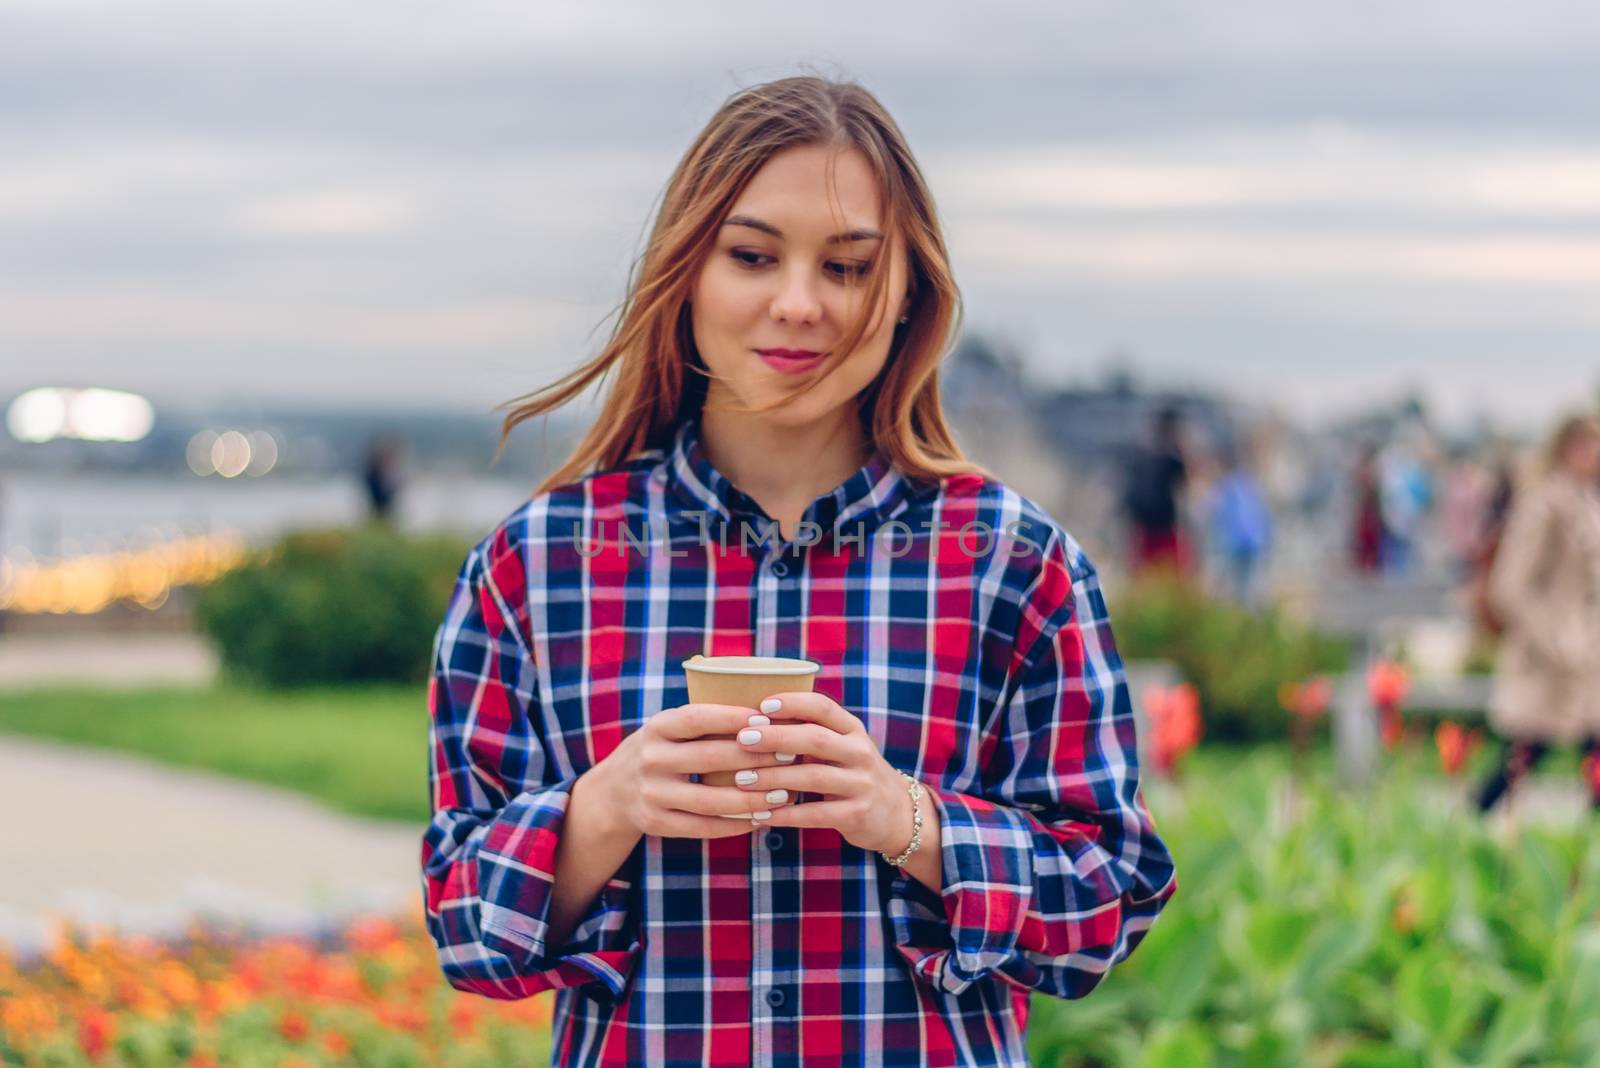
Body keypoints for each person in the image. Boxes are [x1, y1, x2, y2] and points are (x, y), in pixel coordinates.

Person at [420, 76, 1177, 1067]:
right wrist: (604, 809)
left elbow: (1109, 904)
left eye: (848, 266)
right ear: (685, 269)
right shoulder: (537, 568)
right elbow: (464, 930)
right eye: (751, 255)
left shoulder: (1013, 565)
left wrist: (906, 819)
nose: (797, 304)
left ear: (907, 290)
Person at [1473, 414, 1600, 814]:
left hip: (1584, 656)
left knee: (1590, 753)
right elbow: (1508, 585)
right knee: (1524, 753)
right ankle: (1469, 823)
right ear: (1564, 448)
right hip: (1550, 659)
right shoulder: (1543, 504)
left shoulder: (1585, 500)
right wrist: (1555, 638)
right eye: (1586, 444)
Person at [1121, 405, 1191, 578]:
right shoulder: (1172, 459)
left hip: (1145, 526)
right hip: (1165, 526)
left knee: (1144, 575)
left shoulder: (1141, 455)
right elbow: (1187, 481)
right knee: (1174, 574)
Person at [1204, 437, 1273, 606]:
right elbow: (1261, 514)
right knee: (1246, 587)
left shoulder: (1225, 486)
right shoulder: (1246, 481)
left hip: (1236, 545)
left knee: (1234, 590)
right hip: (1254, 543)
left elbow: (1207, 510)